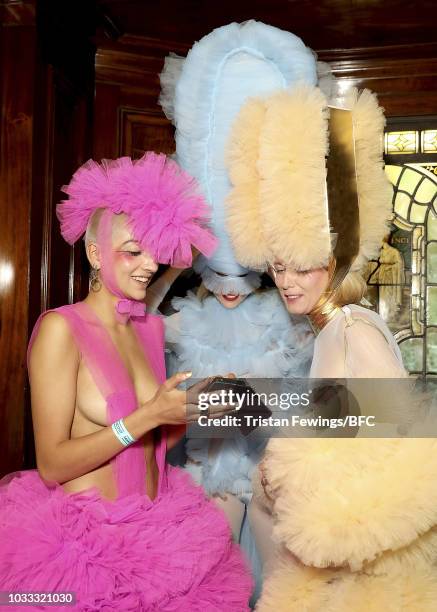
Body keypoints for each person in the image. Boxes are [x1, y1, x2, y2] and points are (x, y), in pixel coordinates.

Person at [0, 152, 253, 611]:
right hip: (84, 551)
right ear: (95, 252)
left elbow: (156, 437)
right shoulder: (62, 329)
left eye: (155, 250)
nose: (149, 265)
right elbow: (53, 465)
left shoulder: (148, 329)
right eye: (133, 251)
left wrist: (192, 407)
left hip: (161, 536)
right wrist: (145, 416)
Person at [226, 84, 437, 610]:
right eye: (277, 267)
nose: (286, 281)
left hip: (357, 579)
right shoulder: (328, 331)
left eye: (301, 265)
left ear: (336, 261)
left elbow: (409, 454)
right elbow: (344, 424)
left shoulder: (353, 330)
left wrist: (320, 514)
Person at [156, 21, 318, 602]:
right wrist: (172, 264)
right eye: (216, 277)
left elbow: (329, 405)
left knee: (275, 579)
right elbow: (150, 357)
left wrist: (259, 401)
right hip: (209, 470)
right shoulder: (181, 319)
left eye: (244, 276)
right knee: (209, 575)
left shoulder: (299, 319)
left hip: (274, 470)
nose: (230, 290)